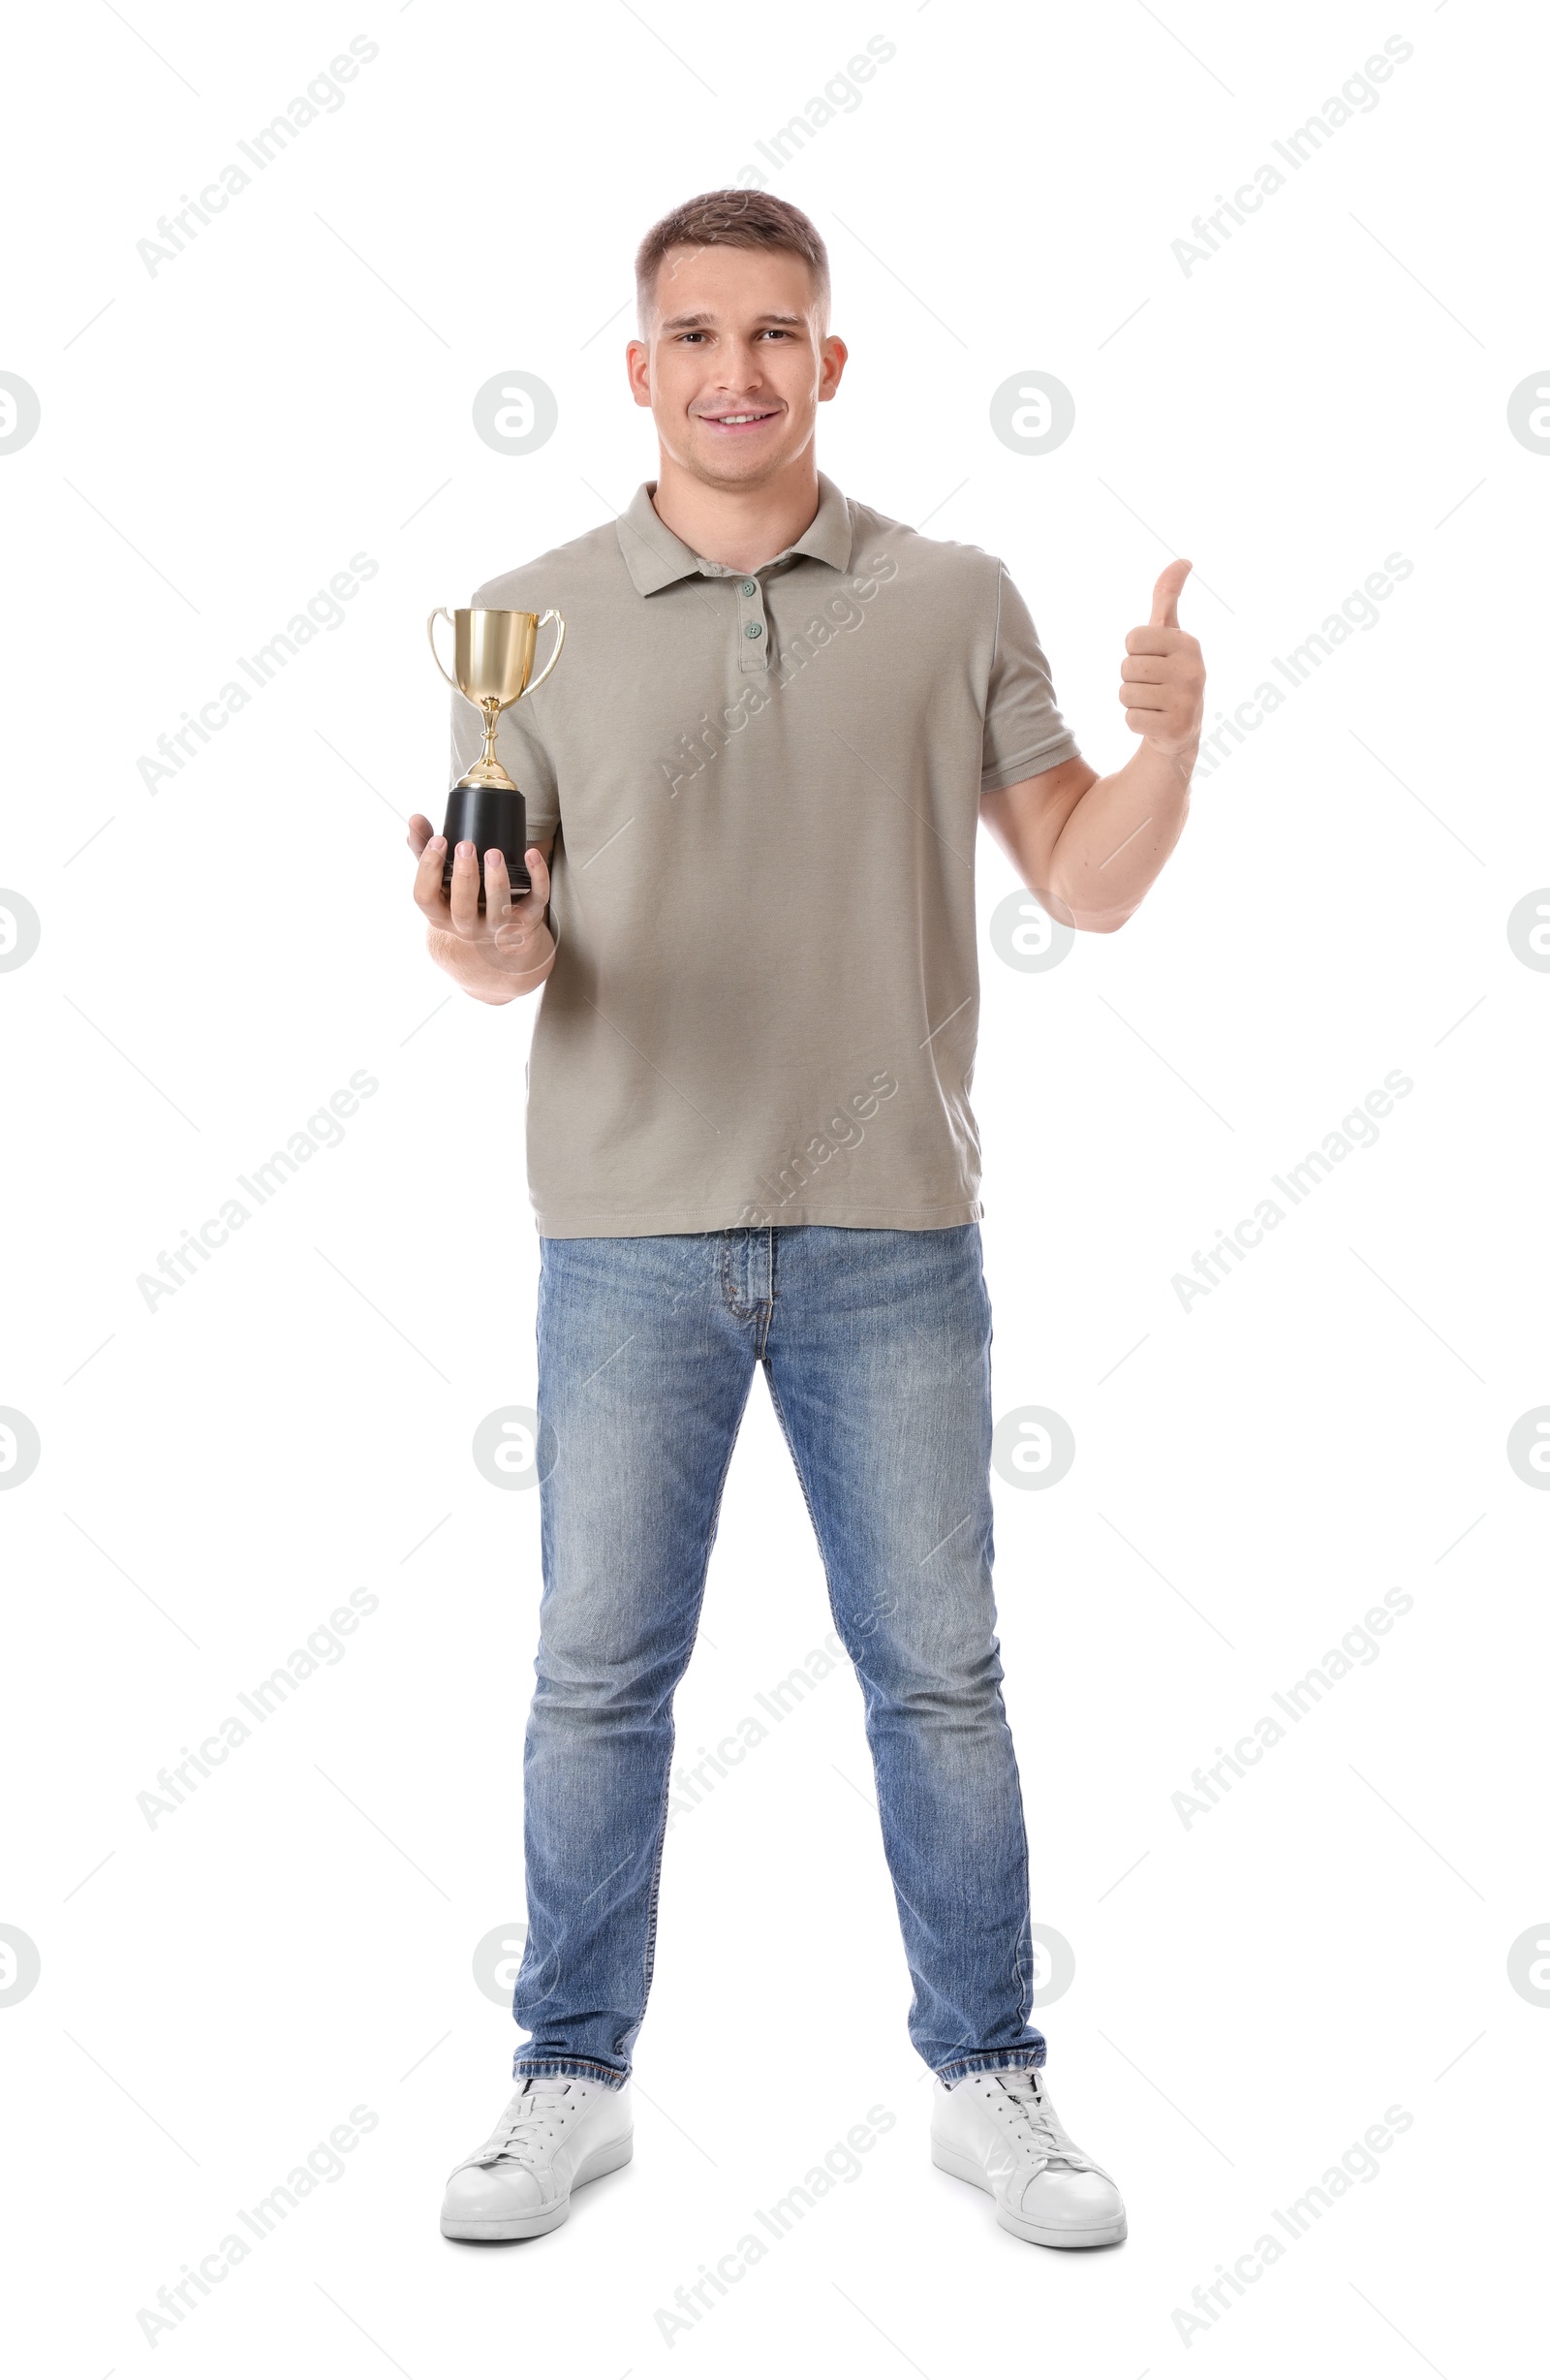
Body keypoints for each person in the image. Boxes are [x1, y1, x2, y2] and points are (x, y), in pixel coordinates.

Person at [409, 189, 1204, 2252]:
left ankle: (989, 2077)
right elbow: (508, 957)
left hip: (888, 1226)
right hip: (626, 1232)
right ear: (641, 367)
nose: (737, 371)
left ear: (828, 363)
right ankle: (565, 2074)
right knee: (597, 1672)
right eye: (697, 336)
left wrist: (1170, 736)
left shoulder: (949, 601)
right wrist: (472, 949)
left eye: (777, 335)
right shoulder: (529, 618)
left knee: (937, 1673)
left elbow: (1088, 884)